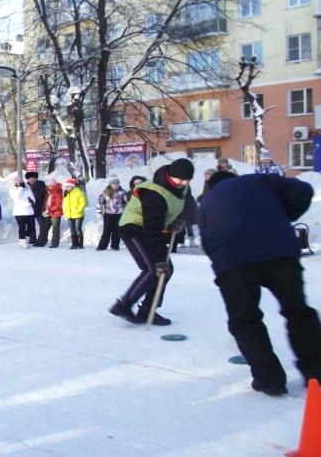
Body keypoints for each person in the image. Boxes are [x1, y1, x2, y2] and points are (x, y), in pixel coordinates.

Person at [197, 171, 321, 395]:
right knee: (298, 312)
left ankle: (269, 379)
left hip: (234, 261)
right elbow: (304, 190)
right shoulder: (260, 180)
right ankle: (316, 373)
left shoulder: (206, 204)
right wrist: (283, 216)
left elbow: (207, 243)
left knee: (244, 320)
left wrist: (223, 269)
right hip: (280, 252)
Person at [109, 158, 194, 326]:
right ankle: (123, 305)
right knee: (153, 268)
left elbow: (190, 207)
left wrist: (180, 220)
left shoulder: (183, 187)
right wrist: (161, 259)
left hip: (150, 230)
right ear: (170, 176)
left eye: (187, 180)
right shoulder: (152, 192)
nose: (183, 183)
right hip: (133, 228)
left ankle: (148, 309)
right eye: (180, 179)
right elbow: (152, 230)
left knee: (165, 270)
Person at [96, 177, 126, 251]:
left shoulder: (123, 192)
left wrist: (126, 212)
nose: (116, 185)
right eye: (114, 184)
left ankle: (115, 246)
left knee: (116, 230)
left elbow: (126, 202)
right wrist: (99, 212)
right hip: (108, 214)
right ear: (110, 185)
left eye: (117, 184)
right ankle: (102, 246)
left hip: (119, 214)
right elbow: (100, 202)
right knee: (107, 230)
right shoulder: (105, 192)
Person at [37, 178, 63, 248]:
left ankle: (55, 243)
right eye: (48, 185)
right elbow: (45, 203)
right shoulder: (48, 193)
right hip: (48, 213)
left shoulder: (58, 193)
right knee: (44, 228)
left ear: (54, 185)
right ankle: (40, 242)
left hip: (55, 213)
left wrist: (49, 210)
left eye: (51, 185)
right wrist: (43, 210)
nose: (49, 187)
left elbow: (58, 205)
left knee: (55, 229)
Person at [10, 179, 36, 249]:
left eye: (21, 182)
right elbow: (16, 198)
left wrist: (32, 201)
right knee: (22, 227)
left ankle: (26, 239)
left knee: (31, 227)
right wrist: (20, 188)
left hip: (29, 211)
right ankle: (22, 240)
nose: (19, 183)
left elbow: (33, 199)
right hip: (19, 212)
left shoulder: (28, 190)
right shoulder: (12, 190)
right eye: (17, 182)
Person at [62, 178, 86, 249]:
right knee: (72, 230)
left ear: (72, 186)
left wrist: (78, 210)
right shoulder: (65, 193)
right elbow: (65, 203)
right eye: (66, 186)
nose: (67, 188)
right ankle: (74, 244)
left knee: (78, 229)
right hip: (69, 214)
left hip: (78, 214)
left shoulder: (79, 192)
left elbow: (83, 202)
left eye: (68, 186)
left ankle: (80, 244)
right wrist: (65, 211)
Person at [25, 172, 46, 245]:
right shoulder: (26, 186)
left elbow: (44, 196)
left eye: (33, 177)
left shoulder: (41, 184)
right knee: (31, 225)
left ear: (36, 178)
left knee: (42, 225)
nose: (31, 179)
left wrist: (44, 206)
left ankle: (43, 239)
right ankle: (32, 239)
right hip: (29, 208)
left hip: (39, 208)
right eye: (29, 178)